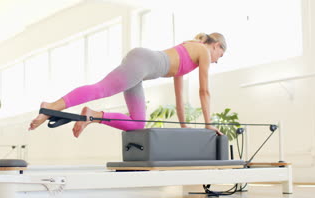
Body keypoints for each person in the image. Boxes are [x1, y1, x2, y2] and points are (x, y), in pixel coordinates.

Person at [29, 32, 226, 137]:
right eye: (220, 55)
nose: (217, 60)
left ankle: (93, 115)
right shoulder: (202, 51)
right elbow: (204, 91)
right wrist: (209, 124)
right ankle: (51, 107)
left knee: (138, 124)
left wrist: (184, 126)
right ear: (216, 45)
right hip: (143, 62)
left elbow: (179, 97)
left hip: (141, 70)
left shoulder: (191, 52)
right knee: (101, 89)